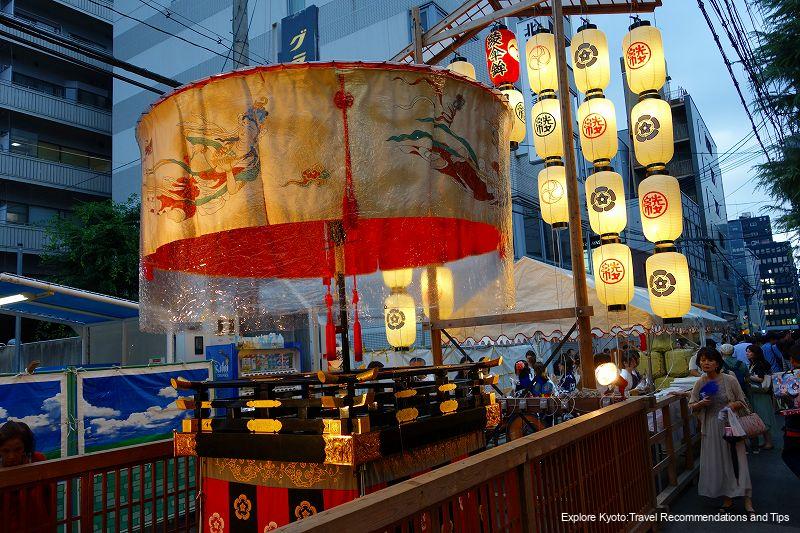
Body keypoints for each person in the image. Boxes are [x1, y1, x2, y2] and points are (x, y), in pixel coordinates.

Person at [689, 347, 754, 514]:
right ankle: (727, 498)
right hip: (711, 427)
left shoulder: (729, 379)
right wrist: (701, 404)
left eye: (710, 360)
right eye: (702, 360)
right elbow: (691, 405)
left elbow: (742, 401)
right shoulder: (700, 382)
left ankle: (747, 500)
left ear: (717, 363)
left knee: (738, 461)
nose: (706, 363)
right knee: (720, 463)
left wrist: (729, 406)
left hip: (730, 424)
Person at [0, 421, 54, 532]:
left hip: (37, 525)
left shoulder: (37, 461)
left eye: (17, 449)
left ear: (25, 447)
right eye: (5, 451)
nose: (11, 456)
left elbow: (48, 497)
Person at [745, 344, 775, 451]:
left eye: (749, 351)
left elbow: (761, 379)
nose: (747, 353)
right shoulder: (756, 363)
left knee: (763, 417)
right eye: (747, 351)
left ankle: (769, 442)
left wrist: (748, 377)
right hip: (760, 394)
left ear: (755, 353)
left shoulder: (759, 364)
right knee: (762, 417)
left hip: (760, 394)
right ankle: (767, 441)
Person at [780, 344, 800, 478]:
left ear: (792, 360)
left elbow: (783, 400)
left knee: (791, 454)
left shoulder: (788, 377)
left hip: (795, 423)